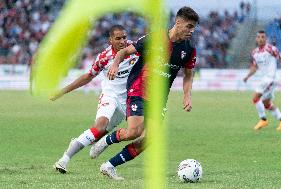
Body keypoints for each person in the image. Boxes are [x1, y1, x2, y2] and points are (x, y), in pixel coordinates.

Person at [90, 6, 199, 180]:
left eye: (194, 27)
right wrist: (115, 64)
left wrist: (187, 95)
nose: (192, 31)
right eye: (189, 26)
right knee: (134, 131)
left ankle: (109, 166)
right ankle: (106, 141)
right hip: (139, 88)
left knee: (148, 139)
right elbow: (125, 51)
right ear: (178, 23)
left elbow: (188, 75)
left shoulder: (189, 48)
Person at [52, 25, 139, 173]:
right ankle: (63, 160)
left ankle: (87, 142)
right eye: (118, 38)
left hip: (129, 101)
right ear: (110, 40)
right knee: (99, 127)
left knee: (103, 133)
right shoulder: (104, 57)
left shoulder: (136, 49)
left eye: (124, 37)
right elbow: (87, 76)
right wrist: (63, 91)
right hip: (110, 95)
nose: (123, 41)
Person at [243, 30, 281, 131]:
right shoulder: (255, 52)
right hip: (265, 80)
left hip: (271, 79)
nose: (261, 39)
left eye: (263, 37)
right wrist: (247, 76)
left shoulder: (271, 49)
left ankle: (263, 119)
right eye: (259, 37)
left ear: (266, 39)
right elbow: (255, 67)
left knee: (255, 98)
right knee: (266, 103)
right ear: (256, 39)